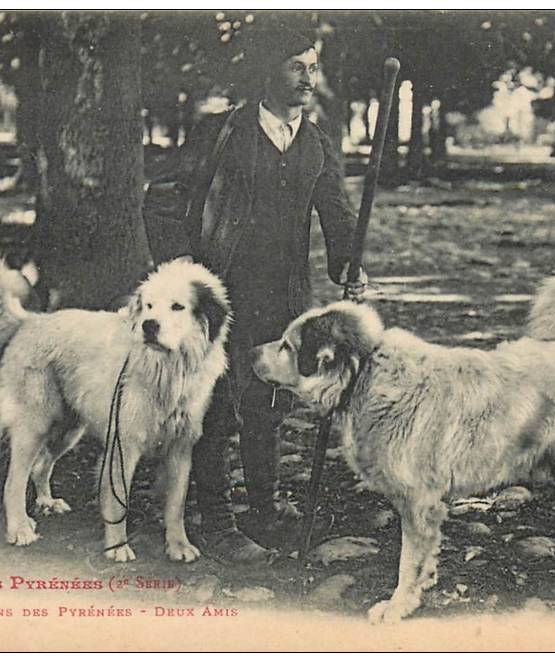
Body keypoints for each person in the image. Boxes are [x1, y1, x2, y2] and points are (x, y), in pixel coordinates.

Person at [143, 28, 366, 564]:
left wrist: (348, 263)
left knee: (268, 405)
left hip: (284, 296)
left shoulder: (314, 141)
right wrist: (183, 275)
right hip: (221, 297)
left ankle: (263, 511)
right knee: (216, 409)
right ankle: (216, 522)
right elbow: (164, 199)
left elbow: (336, 212)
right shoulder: (221, 133)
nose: (308, 78)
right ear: (268, 71)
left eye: (312, 67)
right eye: (297, 66)